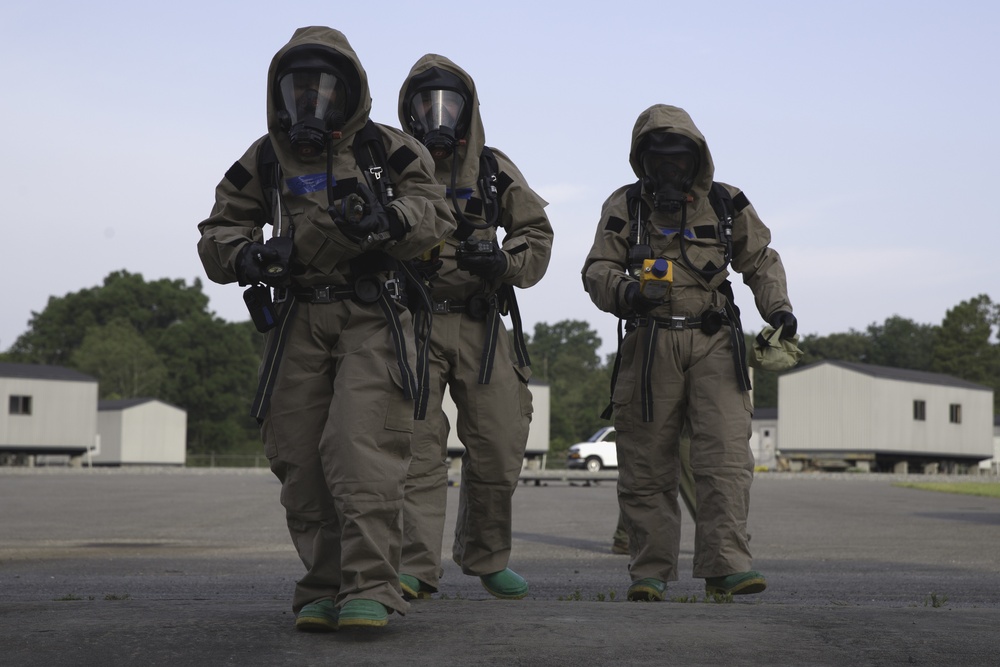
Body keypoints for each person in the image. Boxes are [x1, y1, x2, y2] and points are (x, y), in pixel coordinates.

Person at [197, 27, 455, 631]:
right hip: (296, 319)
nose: (310, 101)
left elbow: (434, 210)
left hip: (375, 316)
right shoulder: (263, 158)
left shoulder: (387, 149)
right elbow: (219, 228)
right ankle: (322, 584)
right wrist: (244, 257)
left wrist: (387, 218)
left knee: (360, 449)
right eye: (298, 88)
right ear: (279, 93)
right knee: (298, 458)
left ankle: (370, 587)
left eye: (323, 87)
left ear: (350, 91)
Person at [582, 104, 796, 600]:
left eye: (678, 157)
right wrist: (628, 292)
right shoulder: (625, 206)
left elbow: (760, 259)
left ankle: (726, 567)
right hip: (648, 342)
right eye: (657, 158)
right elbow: (597, 269)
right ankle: (649, 571)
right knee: (646, 463)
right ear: (641, 160)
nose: (669, 168)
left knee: (724, 459)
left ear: (697, 157)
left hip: (714, 341)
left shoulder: (725, 203)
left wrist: (779, 311)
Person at [393, 54, 553, 600]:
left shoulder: (493, 169)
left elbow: (535, 233)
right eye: (424, 103)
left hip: (482, 327)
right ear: (407, 109)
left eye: (449, 103)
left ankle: (487, 558)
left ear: (467, 110)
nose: (436, 115)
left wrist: (503, 262)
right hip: (409, 322)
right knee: (416, 443)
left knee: (501, 442)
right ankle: (414, 564)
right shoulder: (387, 165)